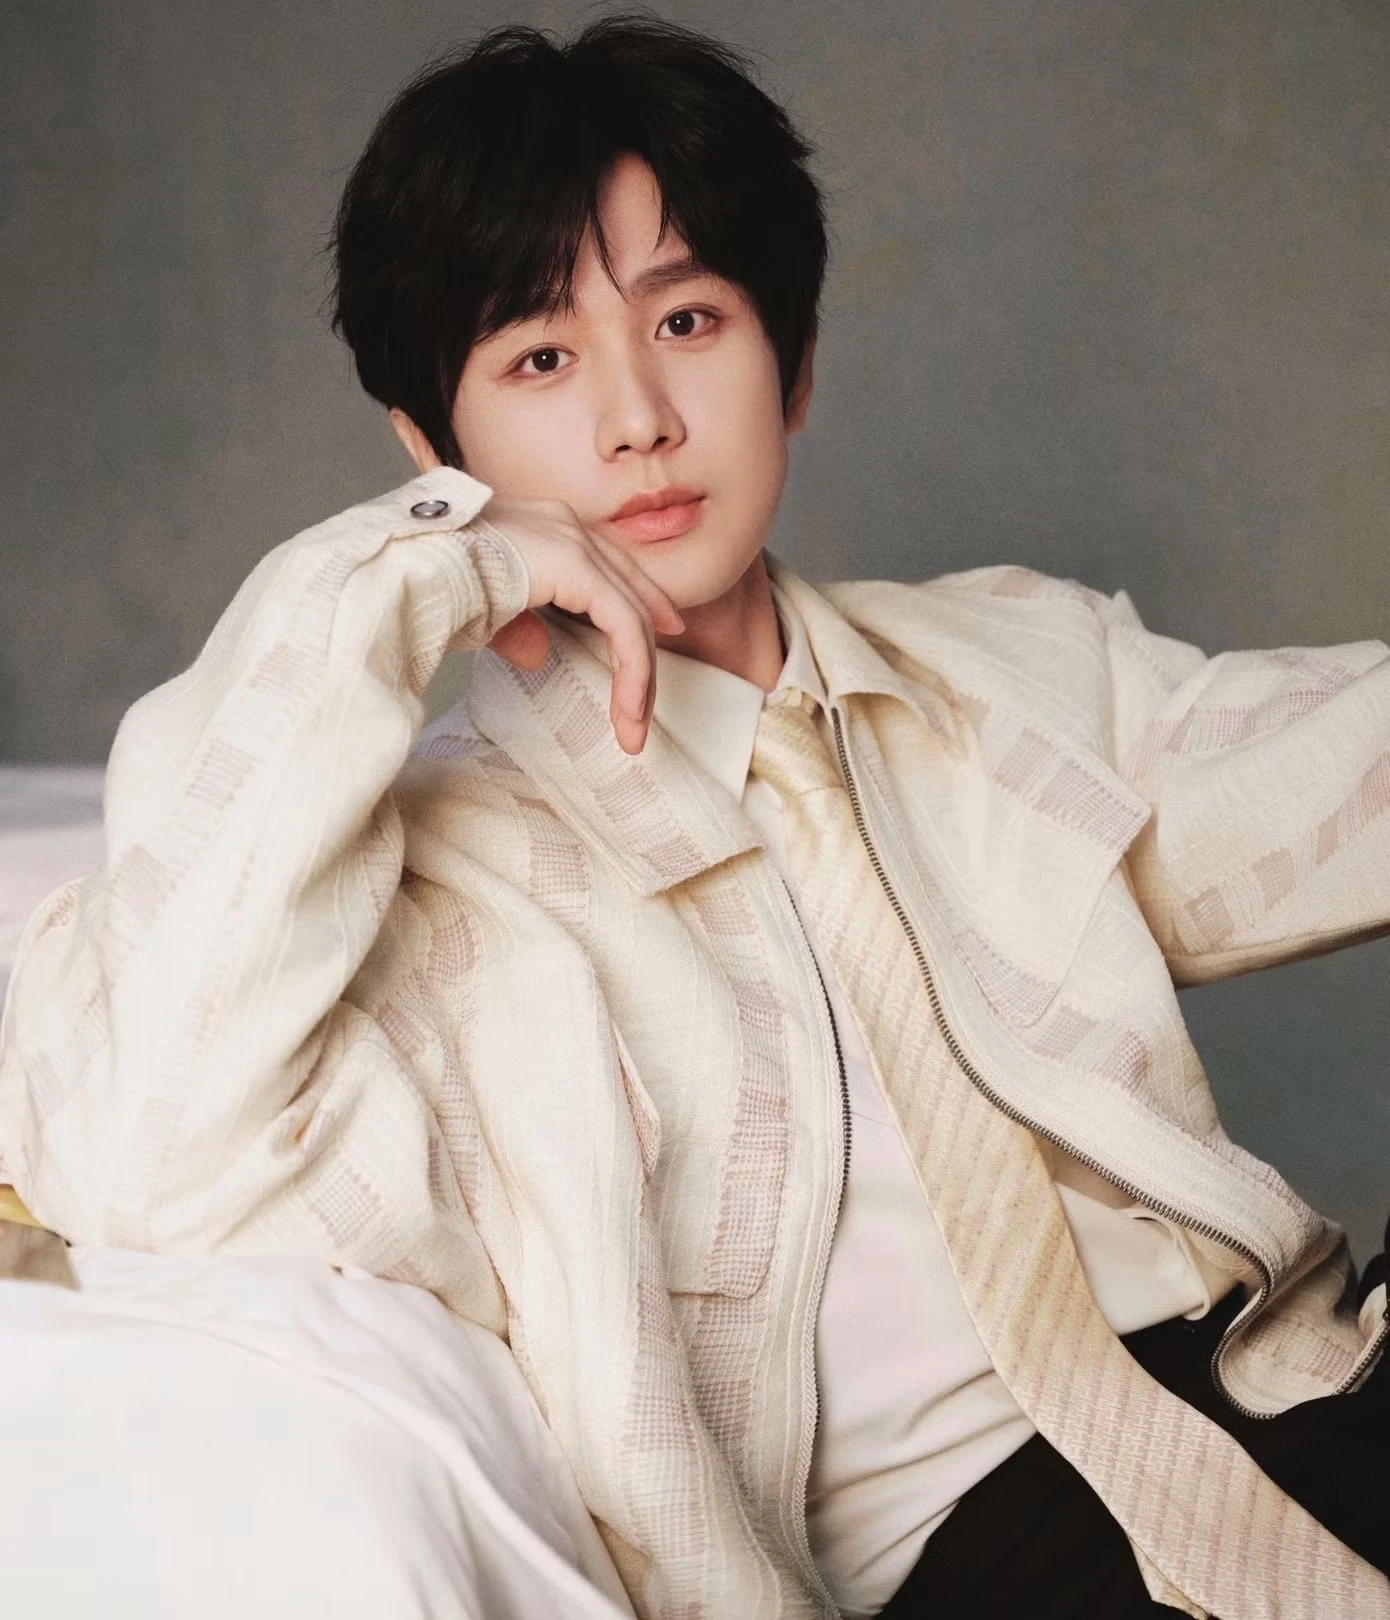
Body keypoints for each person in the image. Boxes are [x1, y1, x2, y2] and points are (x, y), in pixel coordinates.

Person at [1, 13, 1387, 1618]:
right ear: (434, 452)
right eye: (539, 359)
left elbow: (1339, 770)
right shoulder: (429, 886)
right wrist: (412, 577)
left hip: (1294, 1380)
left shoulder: (1009, 671)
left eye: (687, 319)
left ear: (790, 363)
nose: (637, 417)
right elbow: (150, 1145)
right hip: (963, 1556)